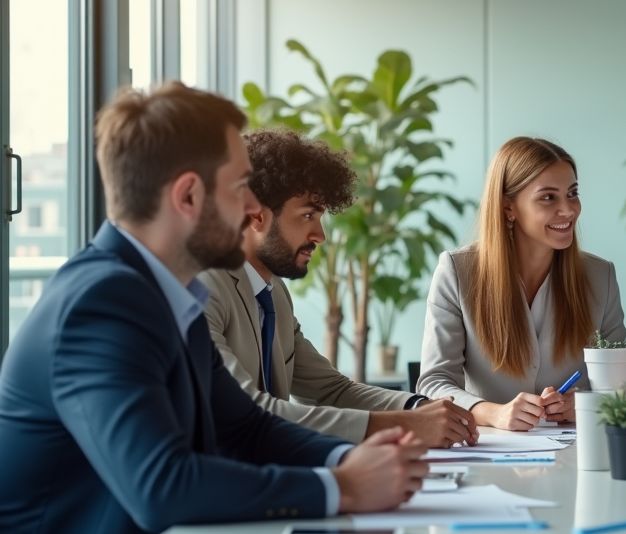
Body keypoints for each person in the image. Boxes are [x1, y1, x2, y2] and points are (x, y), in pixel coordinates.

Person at [0, 84, 428, 534]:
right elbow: (162, 486)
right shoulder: (101, 303)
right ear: (189, 195)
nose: (253, 208)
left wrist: (348, 460)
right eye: (240, 187)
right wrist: (341, 488)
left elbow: (247, 429)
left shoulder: (169, 295)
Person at [199, 128, 478, 448]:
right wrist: (405, 424)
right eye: (307, 215)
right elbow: (246, 411)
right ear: (255, 216)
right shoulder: (204, 287)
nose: (320, 235)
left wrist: (416, 406)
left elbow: (332, 390)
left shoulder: (273, 292)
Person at [418, 137, 626, 431]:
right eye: (548, 197)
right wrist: (494, 413)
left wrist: (582, 403)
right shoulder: (457, 271)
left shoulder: (600, 275)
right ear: (508, 207)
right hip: (488, 449)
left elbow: (620, 386)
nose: (568, 210)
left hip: (576, 451)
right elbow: (433, 383)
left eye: (572, 193)